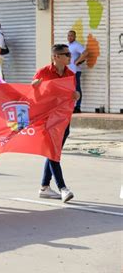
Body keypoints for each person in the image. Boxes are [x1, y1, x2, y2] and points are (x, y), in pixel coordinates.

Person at [33, 44, 79, 203]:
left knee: (53, 152)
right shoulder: (43, 73)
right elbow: (34, 97)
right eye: (66, 54)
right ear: (56, 57)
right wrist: (35, 89)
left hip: (63, 120)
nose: (69, 57)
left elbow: (71, 95)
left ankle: (44, 187)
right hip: (47, 119)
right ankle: (63, 188)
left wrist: (76, 95)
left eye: (69, 54)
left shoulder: (71, 74)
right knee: (53, 151)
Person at [67, 30, 88, 113]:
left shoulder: (77, 45)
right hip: (68, 72)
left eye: (71, 36)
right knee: (70, 90)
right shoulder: (67, 46)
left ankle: (78, 107)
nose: (69, 37)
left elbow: (85, 53)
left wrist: (77, 61)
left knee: (77, 88)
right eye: (68, 35)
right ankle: (71, 106)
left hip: (75, 71)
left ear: (75, 37)